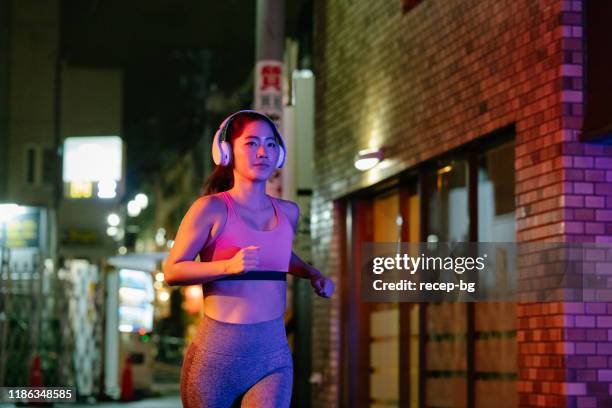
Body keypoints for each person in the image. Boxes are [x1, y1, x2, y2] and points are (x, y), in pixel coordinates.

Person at [163, 110, 335, 408]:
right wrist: (227, 267)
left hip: (273, 356)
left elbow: (279, 255)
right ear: (226, 151)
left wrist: (311, 273)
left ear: (279, 154)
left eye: (270, 145)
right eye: (251, 143)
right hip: (216, 358)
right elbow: (172, 270)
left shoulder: (289, 211)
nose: (262, 152)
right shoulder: (210, 209)